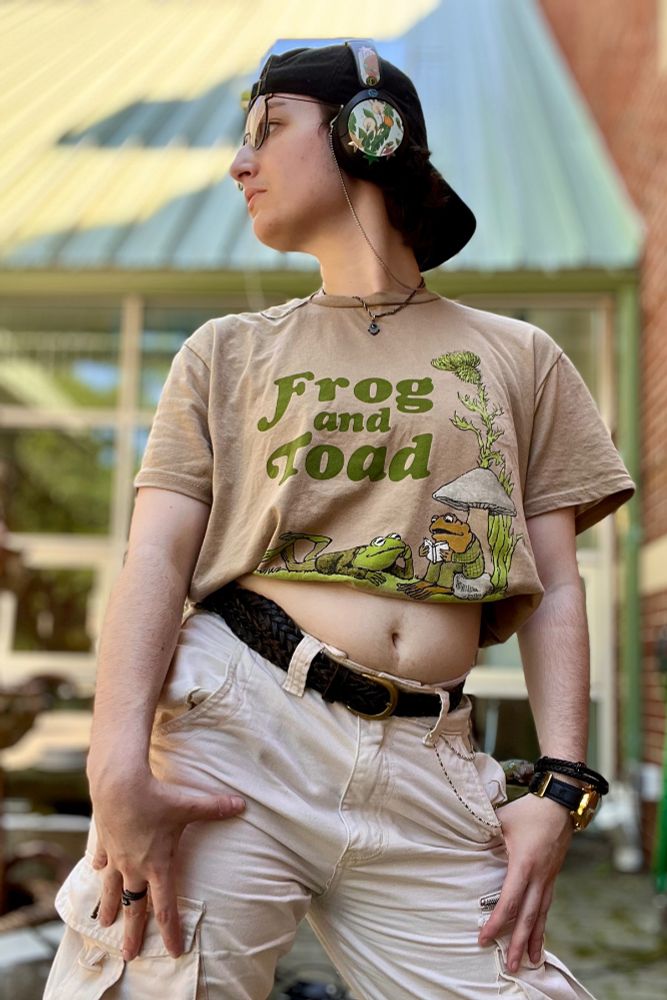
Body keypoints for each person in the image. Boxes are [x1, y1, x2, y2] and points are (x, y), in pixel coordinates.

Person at [44, 40, 634, 999]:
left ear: (371, 133)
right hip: (240, 733)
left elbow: (558, 584)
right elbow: (152, 558)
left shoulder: (519, 357)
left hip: (429, 766)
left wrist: (561, 787)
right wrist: (115, 772)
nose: (241, 163)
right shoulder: (225, 352)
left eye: (269, 129)